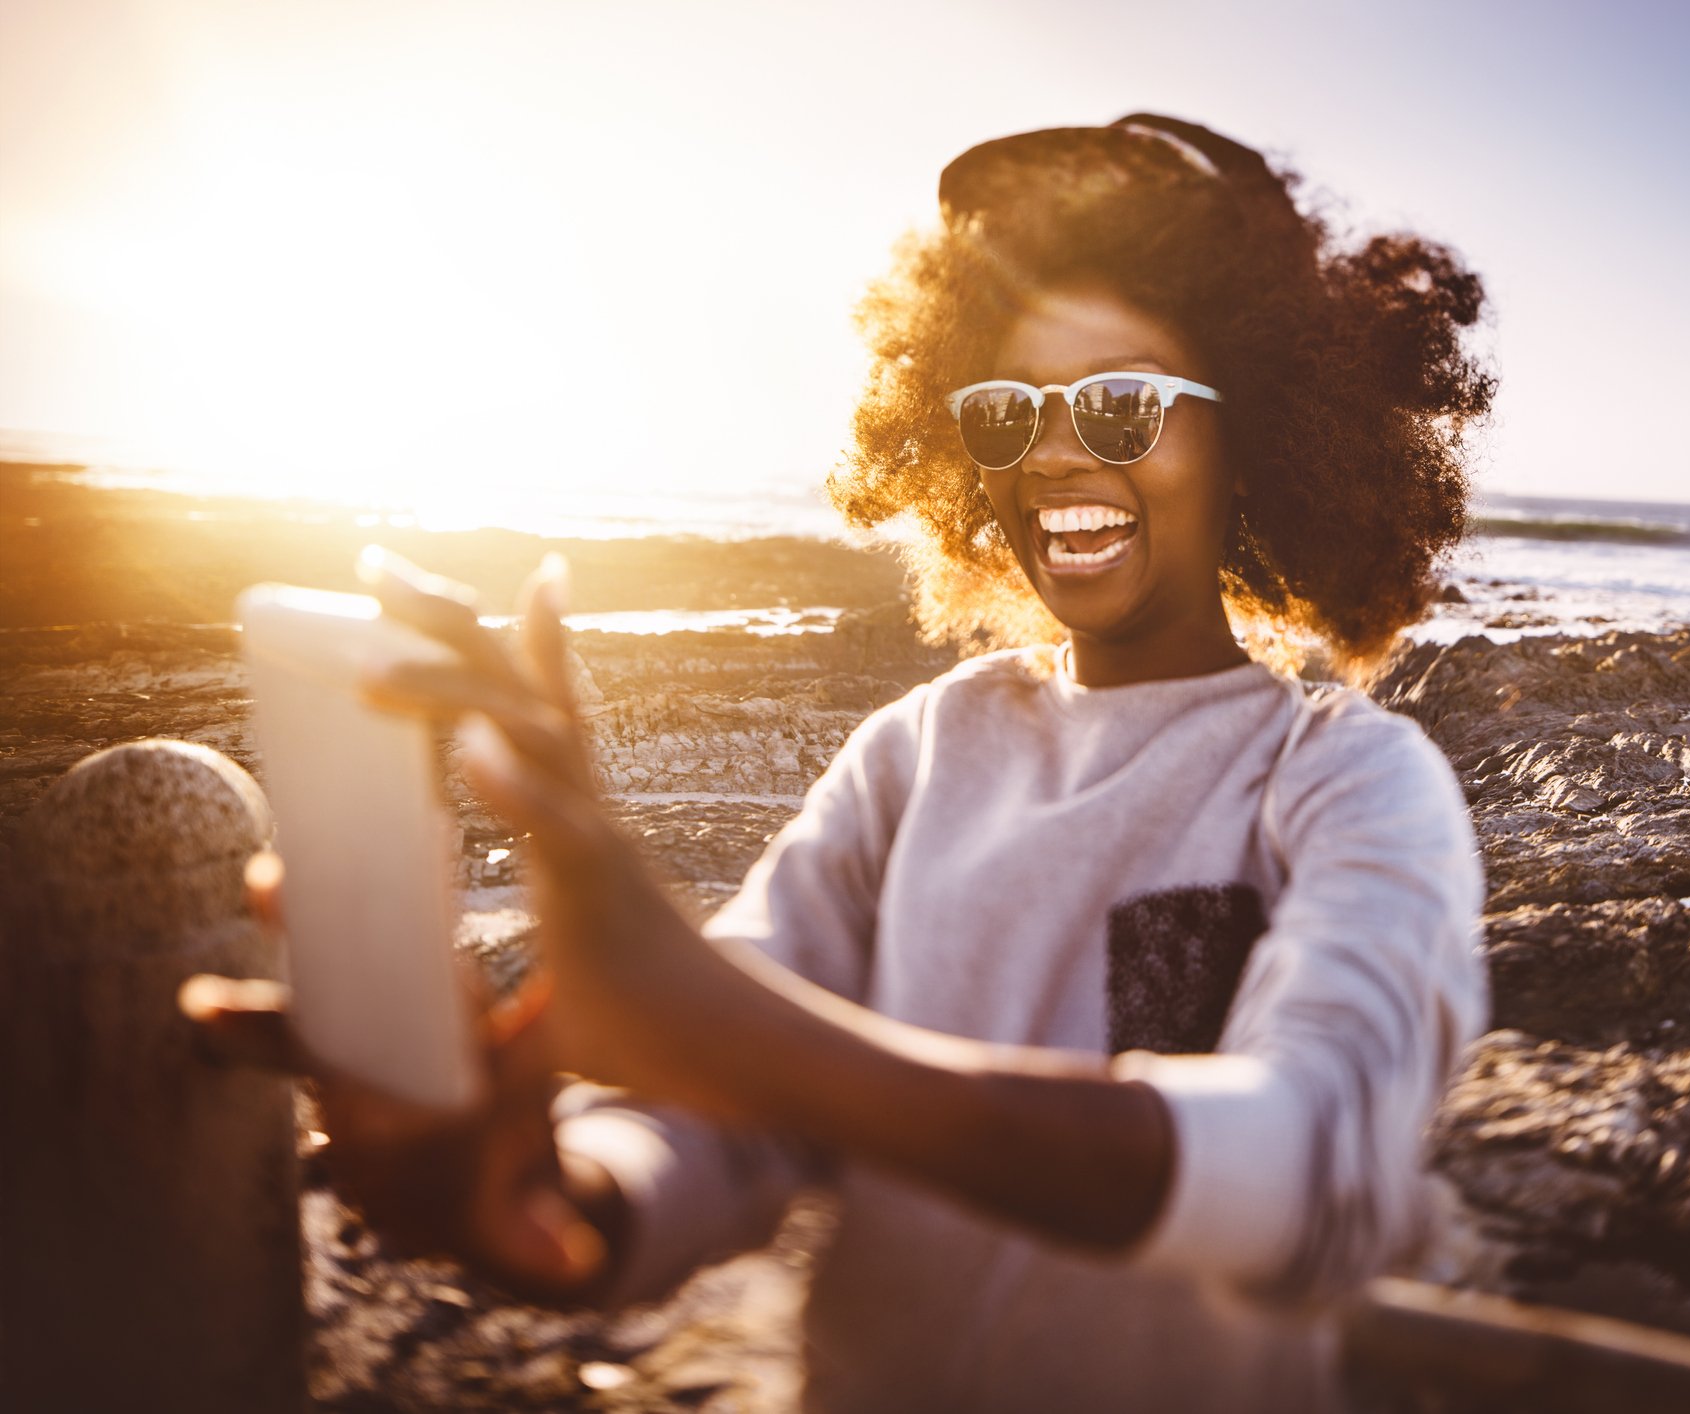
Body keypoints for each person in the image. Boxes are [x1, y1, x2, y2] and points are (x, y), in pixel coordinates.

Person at [185, 114, 1495, 1412]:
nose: (1049, 450)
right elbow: (730, 1114)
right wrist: (563, 1195)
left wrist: (718, 1020)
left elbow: (1315, 1167)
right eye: (1002, 411)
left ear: (1253, 436)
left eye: (1117, 402)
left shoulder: (1350, 783)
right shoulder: (917, 754)